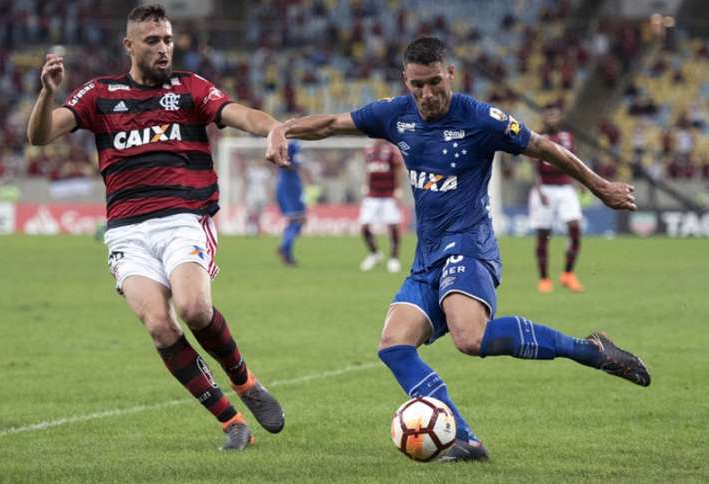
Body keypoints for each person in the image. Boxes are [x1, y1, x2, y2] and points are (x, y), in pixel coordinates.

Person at [267, 37, 650, 462]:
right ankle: (467, 440)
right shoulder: (395, 113)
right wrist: (282, 128)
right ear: (406, 81)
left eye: (435, 82)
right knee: (393, 345)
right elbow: (330, 124)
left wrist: (601, 187)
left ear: (450, 74)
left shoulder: (482, 119)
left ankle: (590, 351)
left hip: (470, 245)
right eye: (418, 85)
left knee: (469, 338)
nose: (427, 94)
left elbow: (543, 146)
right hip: (427, 255)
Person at [26, 4, 285, 451]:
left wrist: (274, 128)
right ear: (129, 45)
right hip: (127, 231)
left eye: (167, 39)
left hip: (184, 218)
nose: (164, 48)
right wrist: (47, 93)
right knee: (159, 326)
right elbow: (40, 136)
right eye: (152, 41)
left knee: (194, 309)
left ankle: (246, 383)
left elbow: (238, 113)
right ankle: (232, 422)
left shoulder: (189, 88)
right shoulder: (98, 95)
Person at [529, 104, 584, 293]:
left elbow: (573, 162)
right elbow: (533, 168)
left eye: (555, 115)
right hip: (545, 188)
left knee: (575, 227)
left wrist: (579, 182)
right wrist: (539, 191)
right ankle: (544, 279)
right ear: (544, 117)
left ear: (560, 117)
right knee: (543, 234)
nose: (551, 118)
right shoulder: (538, 138)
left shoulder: (567, 137)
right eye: (548, 115)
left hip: (566, 188)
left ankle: (568, 274)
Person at [358, 139, 403, 273]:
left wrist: (398, 189)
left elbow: (398, 170)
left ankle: (394, 258)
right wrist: (365, 185)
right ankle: (374, 254)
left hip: (388, 193)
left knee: (393, 225)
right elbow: (367, 170)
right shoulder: (368, 150)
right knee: (364, 226)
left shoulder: (391, 151)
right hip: (372, 194)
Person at [275, 140, 306, 266]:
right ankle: (284, 246)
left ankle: (287, 254)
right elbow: (294, 164)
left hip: (282, 184)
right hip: (291, 186)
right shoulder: (294, 145)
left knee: (294, 221)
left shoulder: (280, 142)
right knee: (299, 220)